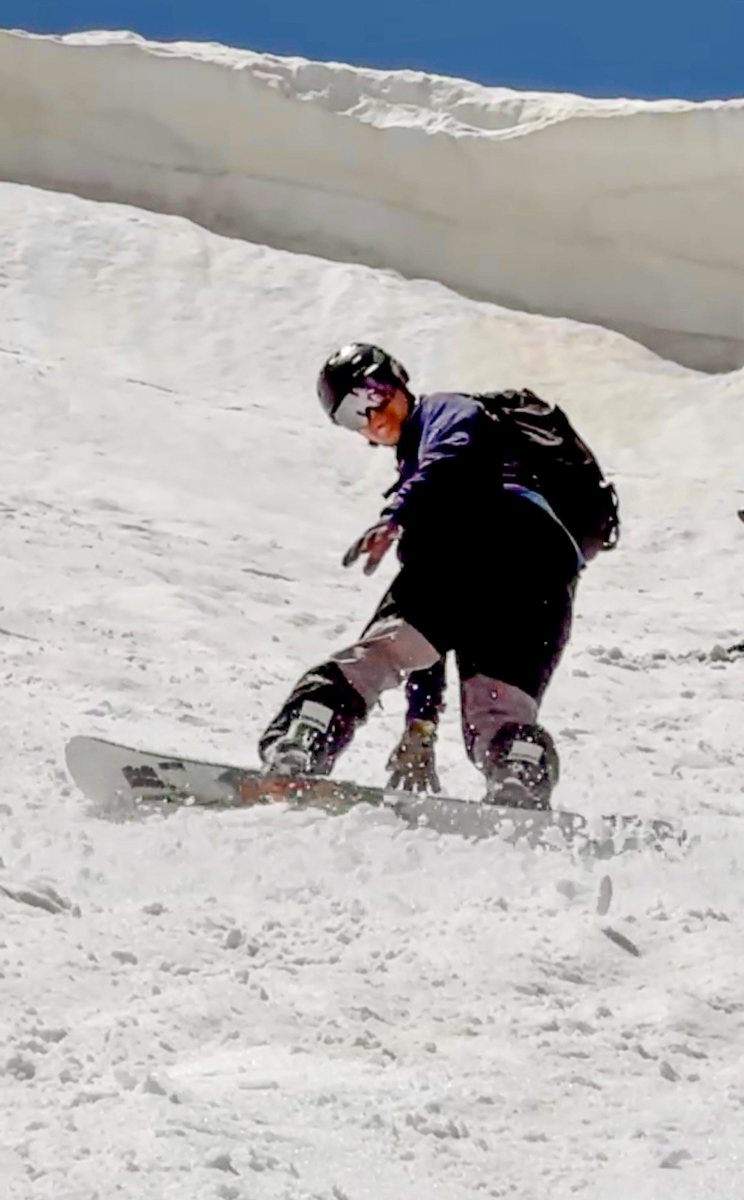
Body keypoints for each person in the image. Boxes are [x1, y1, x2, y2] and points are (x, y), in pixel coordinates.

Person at [258, 343, 586, 809]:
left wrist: (396, 514)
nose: (371, 417)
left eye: (371, 395)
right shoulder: (428, 465)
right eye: (352, 415)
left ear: (398, 381)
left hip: (481, 540)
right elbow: (429, 640)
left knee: (375, 658)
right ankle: (520, 771)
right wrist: (421, 725)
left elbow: (453, 454)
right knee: (498, 707)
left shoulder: (446, 411)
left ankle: (303, 737)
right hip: (544, 576)